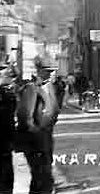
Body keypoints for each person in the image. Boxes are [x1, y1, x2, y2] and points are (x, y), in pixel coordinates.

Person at [16, 55, 60, 194]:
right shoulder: (32, 88)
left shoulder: (50, 87)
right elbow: (24, 115)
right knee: (43, 179)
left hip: (46, 138)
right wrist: (36, 133)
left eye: (52, 70)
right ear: (39, 71)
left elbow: (53, 112)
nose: (51, 73)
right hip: (35, 142)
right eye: (47, 71)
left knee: (43, 179)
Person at [0, 64, 18, 194]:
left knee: (6, 179)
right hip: (4, 142)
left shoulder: (7, 94)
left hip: (6, 142)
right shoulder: (6, 95)